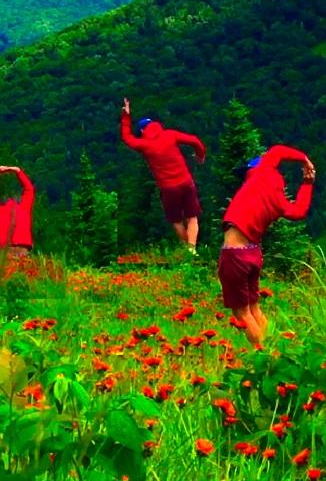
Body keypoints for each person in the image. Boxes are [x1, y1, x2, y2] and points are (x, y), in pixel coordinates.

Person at [219, 146, 315, 348]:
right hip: (253, 254)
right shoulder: (279, 200)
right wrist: (307, 181)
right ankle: (273, 348)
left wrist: (303, 158)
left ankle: (263, 357)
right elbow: (299, 211)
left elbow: (277, 151)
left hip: (235, 254)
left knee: (242, 313)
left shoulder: (261, 171)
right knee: (254, 307)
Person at [120, 97, 209, 252]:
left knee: (175, 220)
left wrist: (126, 116)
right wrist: (200, 155)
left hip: (168, 188)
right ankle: (192, 248)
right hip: (186, 182)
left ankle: (189, 251)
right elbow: (195, 140)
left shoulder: (144, 144)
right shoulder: (170, 135)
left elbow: (126, 138)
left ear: (142, 131)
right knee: (192, 217)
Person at [0, 165, 36, 260]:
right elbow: (29, 190)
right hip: (23, 249)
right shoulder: (24, 208)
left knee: (7, 273)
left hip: (7, 250)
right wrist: (18, 171)